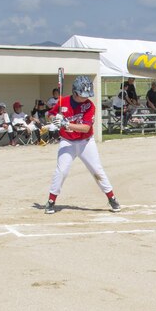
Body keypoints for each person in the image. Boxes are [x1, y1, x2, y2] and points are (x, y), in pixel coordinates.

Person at [43, 76, 121, 214]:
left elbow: (85, 128)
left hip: (86, 142)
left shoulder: (89, 106)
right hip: (67, 141)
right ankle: (51, 201)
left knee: (96, 170)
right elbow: (48, 114)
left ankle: (112, 197)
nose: (85, 98)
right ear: (75, 92)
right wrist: (54, 119)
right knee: (62, 171)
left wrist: (66, 124)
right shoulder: (63, 102)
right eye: (82, 95)